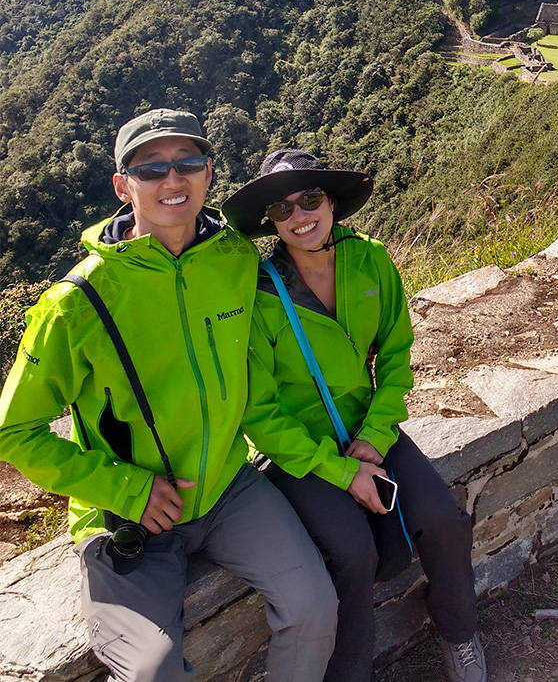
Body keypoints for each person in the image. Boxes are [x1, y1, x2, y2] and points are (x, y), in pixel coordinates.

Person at [0, 110, 338, 682]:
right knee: (151, 673)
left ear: (209, 172)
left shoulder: (234, 259)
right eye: (151, 169)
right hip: (128, 514)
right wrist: (126, 490)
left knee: (314, 607)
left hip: (228, 487)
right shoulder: (79, 300)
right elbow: (13, 430)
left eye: (187, 163)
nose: (172, 180)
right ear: (122, 185)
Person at [223, 149, 486, 682]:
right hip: (300, 449)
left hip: (367, 425)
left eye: (310, 198)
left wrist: (375, 434)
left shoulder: (370, 260)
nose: (300, 216)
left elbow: (395, 354)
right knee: (352, 552)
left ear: (331, 201)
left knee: (442, 519)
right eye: (282, 208)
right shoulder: (260, 294)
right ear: (270, 221)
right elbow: (261, 413)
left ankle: (459, 629)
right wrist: (344, 471)